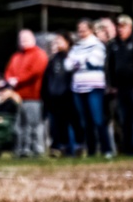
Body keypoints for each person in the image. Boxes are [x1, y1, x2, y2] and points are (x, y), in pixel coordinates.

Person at [66, 19, 112, 157]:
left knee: (97, 119)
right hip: (78, 88)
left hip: (94, 87)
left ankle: (106, 149)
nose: (81, 32)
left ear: (91, 29)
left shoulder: (97, 45)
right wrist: (81, 61)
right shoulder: (76, 46)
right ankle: (91, 151)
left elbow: (93, 62)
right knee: (85, 122)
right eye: (79, 29)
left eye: (83, 29)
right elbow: (67, 65)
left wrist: (77, 62)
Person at [108, 15, 133, 155]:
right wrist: (112, 85)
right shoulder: (114, 44)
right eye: (119, 26)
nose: (121, 29)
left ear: (130, 27)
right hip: (120, 88)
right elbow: (110, 66)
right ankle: (127, 149)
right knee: (125, 120)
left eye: (123, 27)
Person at [4, 29, 48, 157]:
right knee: (19, 125)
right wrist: (10, 80)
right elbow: (8, 71)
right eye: (21, 39)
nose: (23, 41)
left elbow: (35, 72)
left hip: (33, 96)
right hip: (17, 97)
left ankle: (37, 150)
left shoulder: (39, 54)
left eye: (26, 38)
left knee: (33, 124)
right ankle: (22, 150)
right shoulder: (16, 56)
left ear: (33, 39)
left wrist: (17, 80)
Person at [43, 32, 83, 156]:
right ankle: (63, 148)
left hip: (69, 97)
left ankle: (76, 147)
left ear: (68, 42)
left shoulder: (72, 57)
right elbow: (47, 80)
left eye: (60, 40)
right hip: (55, 98)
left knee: (72, 123)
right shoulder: (54, 60)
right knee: (58, 125)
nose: (57, 43)